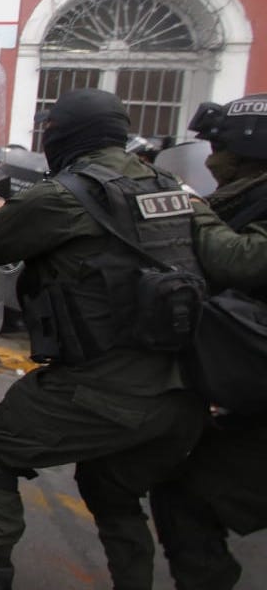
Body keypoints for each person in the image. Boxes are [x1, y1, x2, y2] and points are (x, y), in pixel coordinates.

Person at [0, 88, 267, 590]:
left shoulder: (65, 194)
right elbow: (226, 259)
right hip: (184, 393)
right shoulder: (168, 184)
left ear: (65, 136)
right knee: (110, 488)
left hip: (104, 388)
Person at [149, 94, 267, 590]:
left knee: (188, 497)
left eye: (218, 147)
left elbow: (241, 261)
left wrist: (190, 205)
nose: (211, 159)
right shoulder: (246, 196)